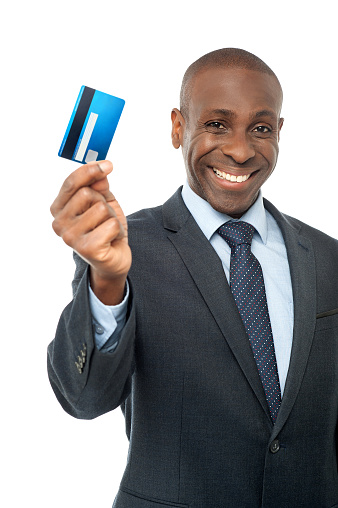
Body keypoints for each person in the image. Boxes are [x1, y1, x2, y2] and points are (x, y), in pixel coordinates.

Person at [48, 48, 338, 507]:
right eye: (217, 124)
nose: (240, 151)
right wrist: (106, 281)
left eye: (260, 128)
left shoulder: (327, 256)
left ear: (280, 131)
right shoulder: (126, 247)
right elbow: (85, 399)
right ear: (178, 128)